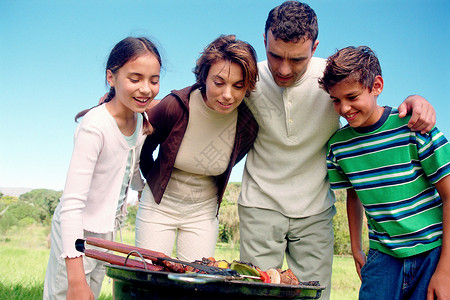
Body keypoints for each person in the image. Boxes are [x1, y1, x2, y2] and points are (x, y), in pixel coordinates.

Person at [237, 2, 436, 299]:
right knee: (255, 293)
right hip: (259, 204)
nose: (283, 69)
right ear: (263, 39)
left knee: (314, 295)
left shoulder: (331, 79)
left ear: (315, 47)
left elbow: (368, 104)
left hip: (315, 208)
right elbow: (212, 95)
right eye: (275, 55)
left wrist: (417, 101)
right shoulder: (250, 78)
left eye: (297, 59)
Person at [321, 45, 450, 300]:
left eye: (352, 96)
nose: (344, 108)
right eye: (336, 100)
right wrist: (357, 248)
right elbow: (354, 195)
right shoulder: (338, 146)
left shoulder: (414, 127)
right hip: (383, 257)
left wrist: (445, 269)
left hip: (433, 252)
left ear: (377, 86)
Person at [43, 36, 162, 300]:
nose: (146, 89)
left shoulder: (139, 118)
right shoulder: (95, 127)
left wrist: (141, 187)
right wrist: (74, 279)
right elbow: (72, 204)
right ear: (111, 77)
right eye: (135, 79)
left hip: (105, 233)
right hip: (77, 233)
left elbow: (126, 167)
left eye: (153, 80)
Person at [135, 35, 259, 261]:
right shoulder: (175, 106)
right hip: (159, 207)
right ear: (204, 77)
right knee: (149, 278)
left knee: (196, 285)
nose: (227, 95)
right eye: (219, 83)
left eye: (238, 86)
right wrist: (151, 181)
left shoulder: (247, 126)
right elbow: (143, 148)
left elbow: (228, 163)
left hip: (202, 213)